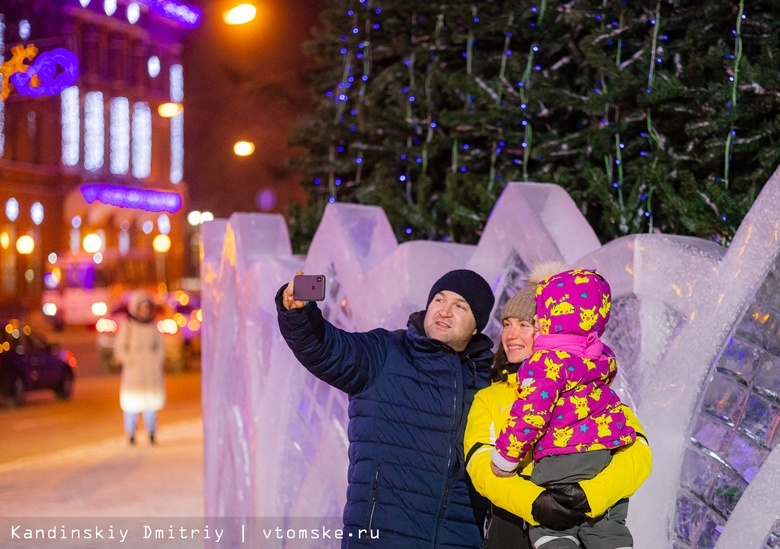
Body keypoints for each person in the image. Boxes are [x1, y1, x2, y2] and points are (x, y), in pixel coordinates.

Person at [277, 268, 498, 547]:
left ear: (477, 325)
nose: (444, 311)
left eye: (460, 306)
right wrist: (299, 314)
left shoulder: (488, 383)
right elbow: (326, 347)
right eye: (439, 300)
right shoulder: (385, 352)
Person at [483, 267, 645, 548]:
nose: (513, 334)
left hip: (562, 471)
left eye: (527, 323)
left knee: (556, 534)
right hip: (596, 460)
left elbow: (638, 455)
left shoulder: (545, 365)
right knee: (609, 530)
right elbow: (480, 469)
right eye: (507, 324)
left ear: (548, 321)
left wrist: (505, 459)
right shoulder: (600, 359)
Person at [114, 290, 166, 446]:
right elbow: (120, 348)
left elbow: (160, 346)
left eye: (147, 308)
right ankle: (131, 434)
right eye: (142, 307)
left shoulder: (152, 325)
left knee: (150, 406)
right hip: (134, 372)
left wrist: (156, 360)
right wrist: (130, 361)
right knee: (132, 405)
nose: (144, 311)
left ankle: (151, 433)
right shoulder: (128, 325)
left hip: (151, 371)